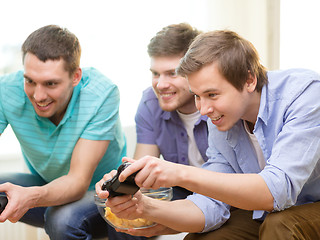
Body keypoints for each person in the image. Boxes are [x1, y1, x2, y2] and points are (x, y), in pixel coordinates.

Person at [96, 30, 320, 240]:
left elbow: (277, 191)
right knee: (202, 237)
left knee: (281, 224)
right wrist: (144, 207)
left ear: (249, 80)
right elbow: (211, 205)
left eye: (212, 94)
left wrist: (179, 173)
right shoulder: (222, 119)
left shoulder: (304, 94)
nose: (203, 110)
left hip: (304, 205)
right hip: (278, 210)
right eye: (197, 96)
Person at [0, 25, 126, 240]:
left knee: (62, 220)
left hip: (101, 195)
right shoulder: (6, 90)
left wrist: (31, 197)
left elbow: (77, 182)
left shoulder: (101, 94)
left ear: (75, 77)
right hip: (46, 184)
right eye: (30, 80)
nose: (38, 96)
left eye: (51, 84)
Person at [105, 23, 207, 240]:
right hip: (180, 189)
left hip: (221, 190)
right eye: (155, 73)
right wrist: (119, 185)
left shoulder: (217, 106)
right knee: (125, 213)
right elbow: (140, 172)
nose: (160, 84)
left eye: (172, 73)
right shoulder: (150, 103)